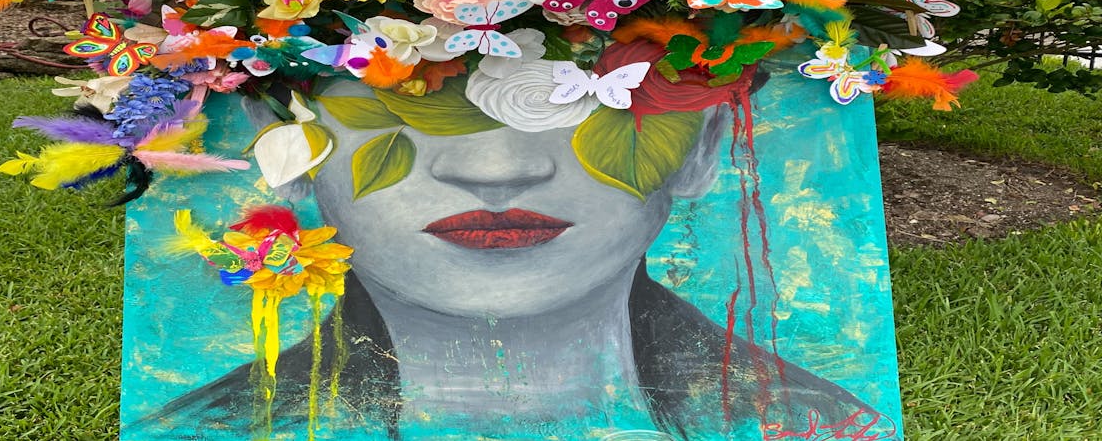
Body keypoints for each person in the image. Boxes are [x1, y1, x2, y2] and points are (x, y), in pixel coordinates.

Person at [130, 64, 898, 441]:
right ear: (287, 149)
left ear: (701, 146)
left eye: (582, 88)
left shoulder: (821, 425)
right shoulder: (206, 429)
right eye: (399, 86)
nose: (496, 169)